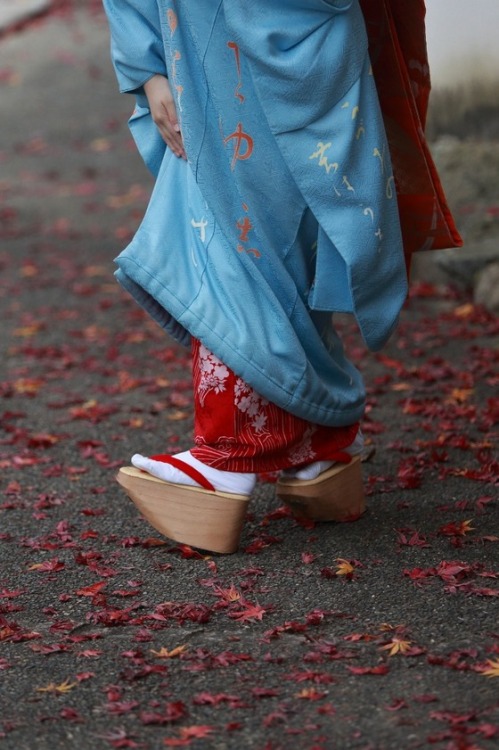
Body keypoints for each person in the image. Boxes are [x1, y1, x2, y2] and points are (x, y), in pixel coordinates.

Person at [103, 0, 461, 553]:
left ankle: (228, 457)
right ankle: (321, 445)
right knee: (257, 228)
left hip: (257, 27)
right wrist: (150, 66)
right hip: (207, 37)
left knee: (251, 233)